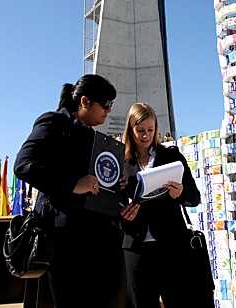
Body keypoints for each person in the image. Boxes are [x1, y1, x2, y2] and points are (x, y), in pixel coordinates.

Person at [14, 74, 138, 308]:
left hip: (97, 237)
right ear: (84, 102)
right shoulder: (52, 122)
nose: (108, 111)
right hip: (63, 238)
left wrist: (115, 184)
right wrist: (72, 184)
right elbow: (24, 165)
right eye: (105, 105)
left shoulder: (96, 138)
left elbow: (96, 182)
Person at [122, 102, 215, 308]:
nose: (145, 135)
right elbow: (110, 202)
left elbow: (194, 198)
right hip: (135, 247)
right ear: (130, 129)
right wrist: (123, 212)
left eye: (150, 130)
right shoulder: (121, 161)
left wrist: (180, 192)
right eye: (140, 130)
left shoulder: (171, 156)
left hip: (172, 246)